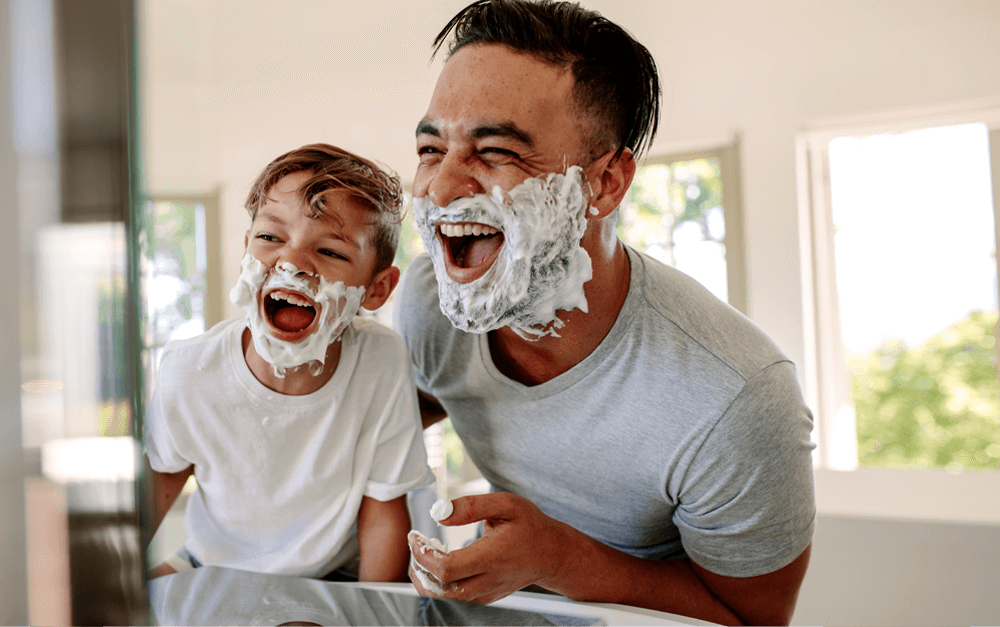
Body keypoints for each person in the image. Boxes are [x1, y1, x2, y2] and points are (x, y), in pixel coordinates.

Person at [394, 1, 816, 624]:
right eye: (431, 149)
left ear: (606, 184)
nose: (439, 187)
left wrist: (560, 560)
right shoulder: (431, 301)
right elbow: (393, 416)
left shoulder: (736, 396)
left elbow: (754, 618)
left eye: (496, 152)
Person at [143, 143, 435, 582]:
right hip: (212, 566)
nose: (293, 263)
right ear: (246, 252)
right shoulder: (189, 371)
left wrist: (376, 611)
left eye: (331, 252)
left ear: (376, 289)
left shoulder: (380, 361)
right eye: (269, 237)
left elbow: (383, 516)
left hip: (334, 574)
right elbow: (148, 501)